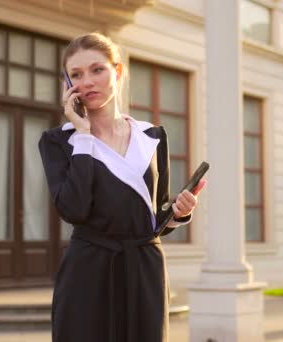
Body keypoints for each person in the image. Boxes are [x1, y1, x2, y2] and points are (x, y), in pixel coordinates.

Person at [38, 32, 206, 342]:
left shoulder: (152, 137)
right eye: (76, 74)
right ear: (67, 85)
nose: (87, 81)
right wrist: (85, 135)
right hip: (88, 271)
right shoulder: (59, 141)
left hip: (144, 271)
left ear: (117, 72)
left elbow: (155, 219)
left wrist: (180, 214)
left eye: (97, 69)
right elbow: (72, 208)